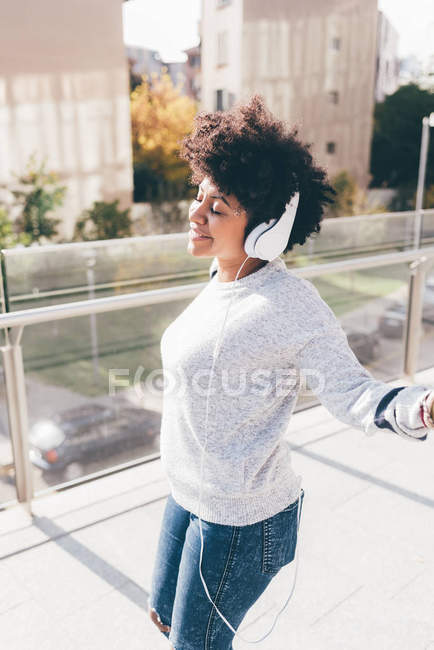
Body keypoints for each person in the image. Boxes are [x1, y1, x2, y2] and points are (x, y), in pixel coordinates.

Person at [149, 95, 434, 649]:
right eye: (199, 196)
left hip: (240, 520)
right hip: (186, 493)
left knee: (194, 645)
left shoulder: (289, 305)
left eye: (218, 207)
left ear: (266, 230)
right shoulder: (222, 278)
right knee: (163, 616)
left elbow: (354, 393)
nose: (196, 213)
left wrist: (419, 406)